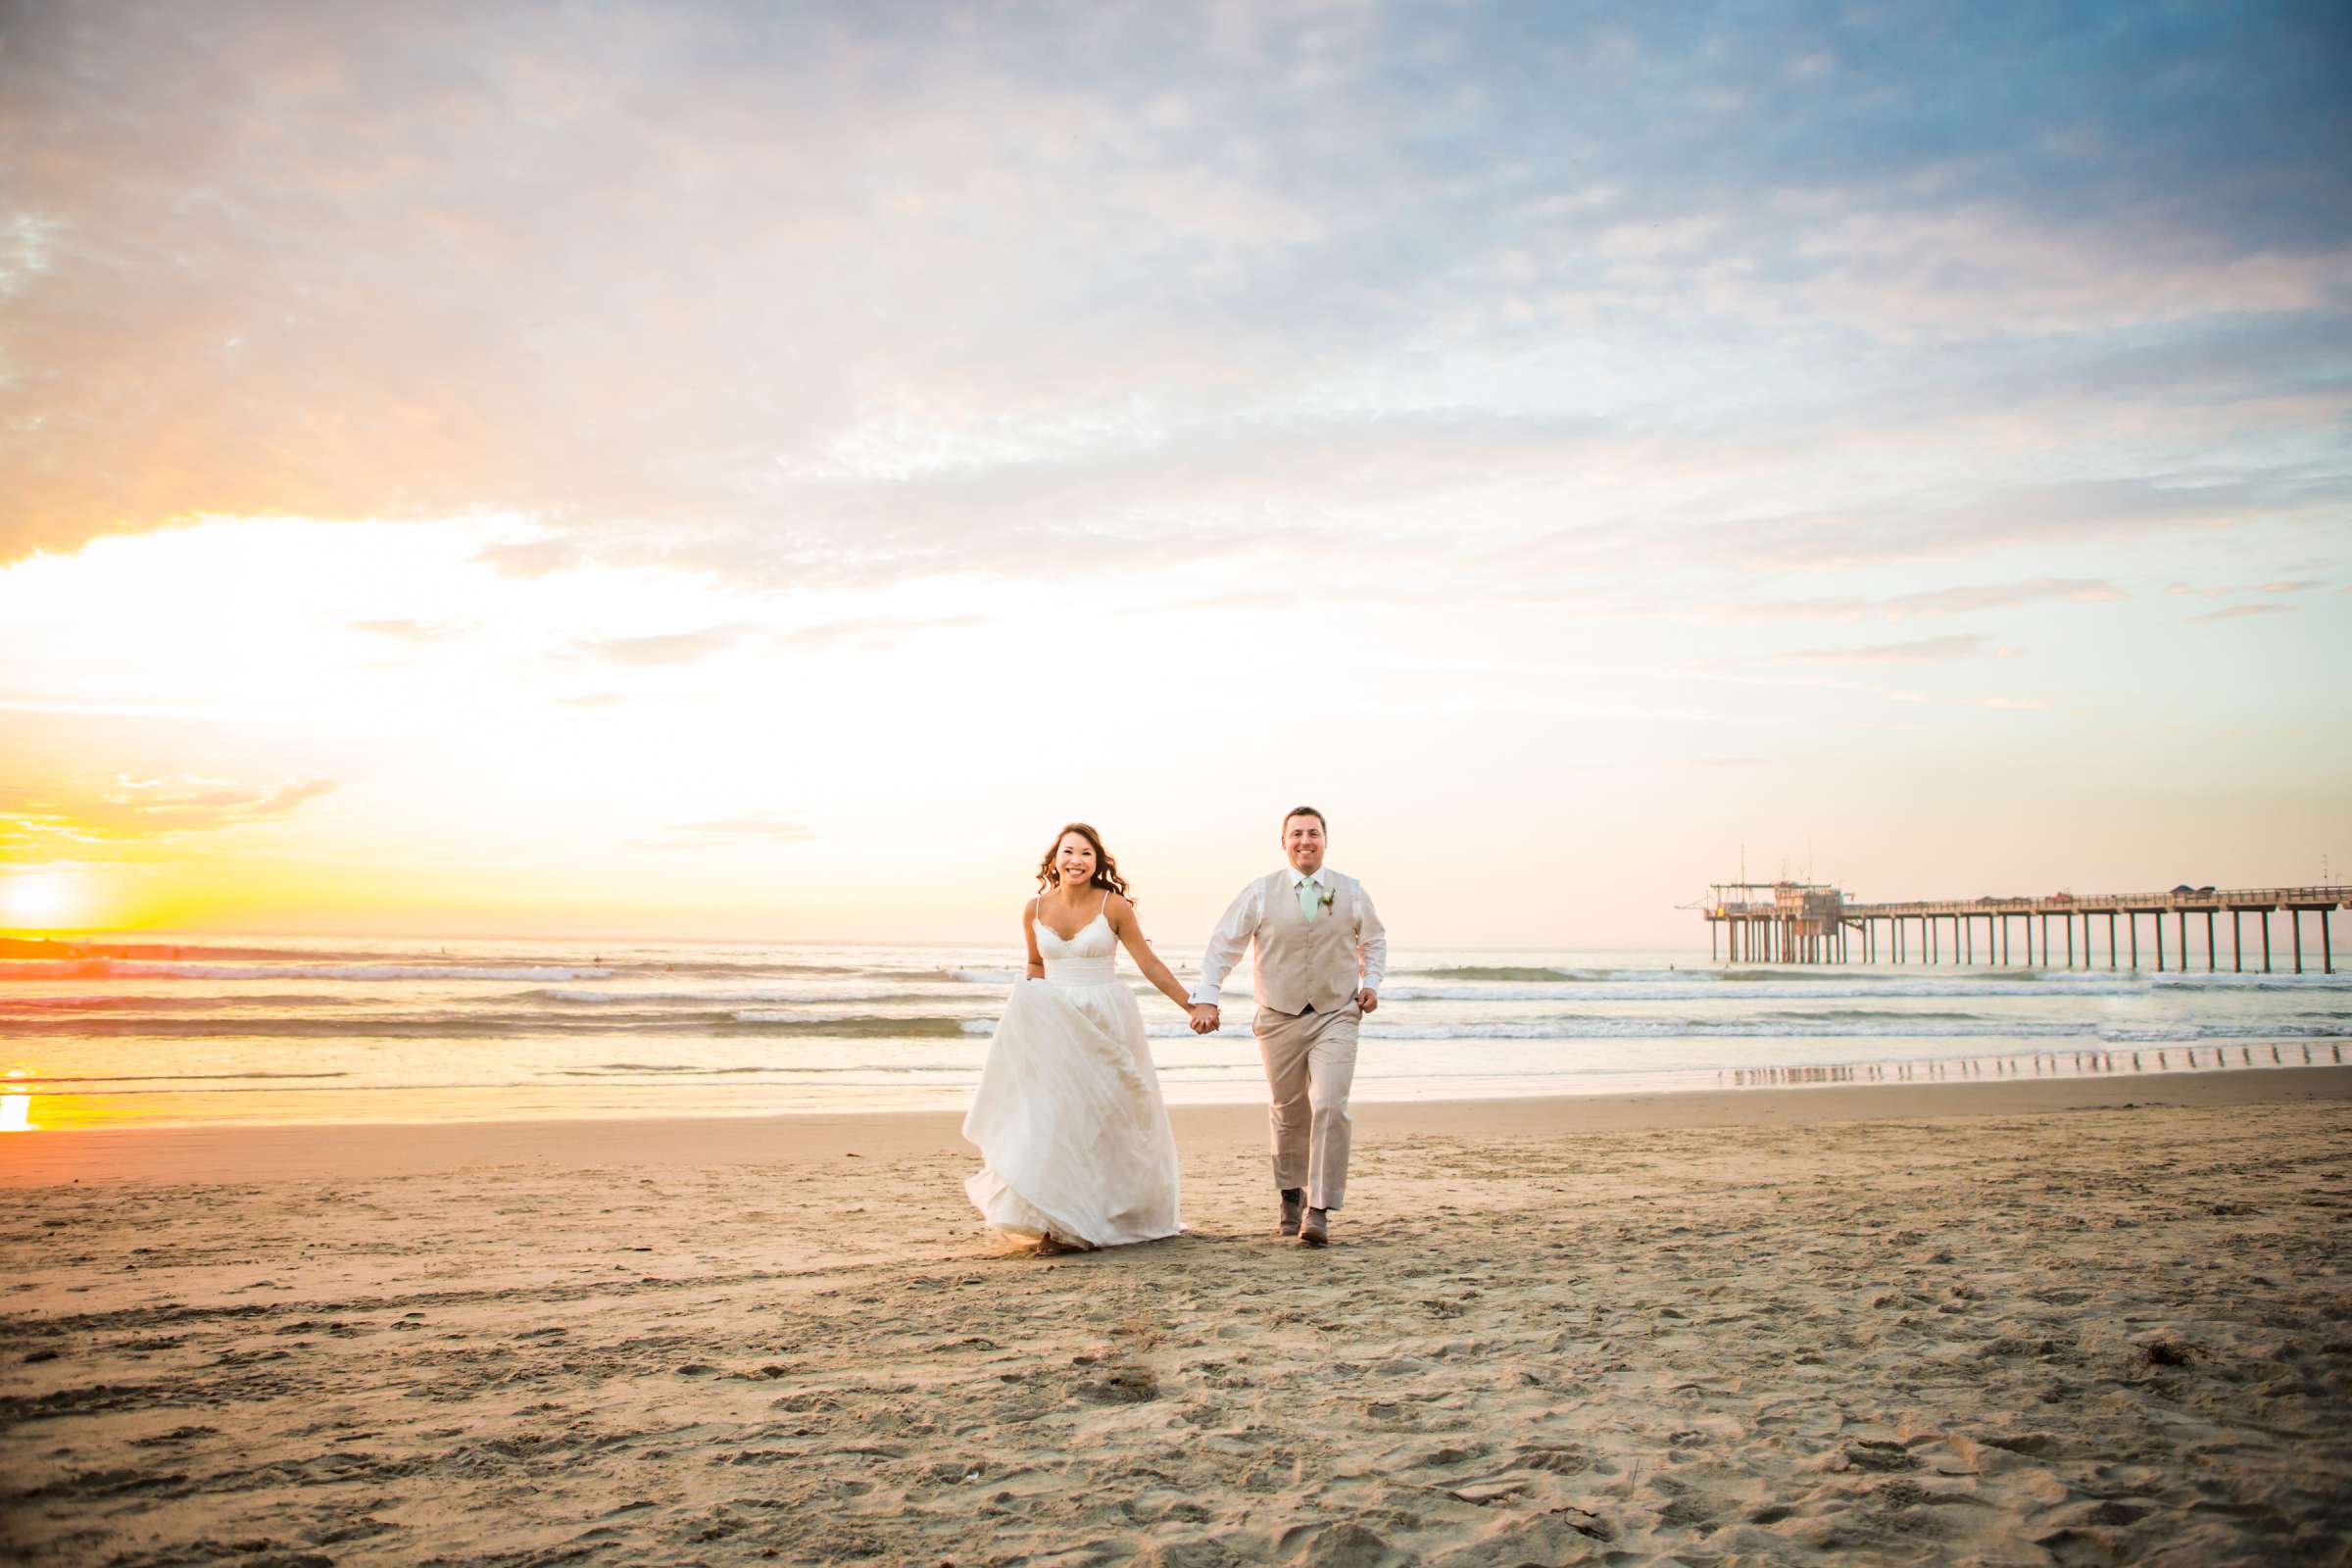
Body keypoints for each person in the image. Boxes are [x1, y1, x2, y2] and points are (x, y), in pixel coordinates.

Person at [963, 823, 1191, 1253]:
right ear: (1054, 859)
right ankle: (1056, 1225)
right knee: (1053, 1117)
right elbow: (1035, 966)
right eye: (1068, 852)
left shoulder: (1115, 906)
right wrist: (1024, 1019)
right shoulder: (1033, 909)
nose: (1076, 861)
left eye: (1086, 854)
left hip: (1105, 1015)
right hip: (1052, 1019)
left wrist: (1192, 1005)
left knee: (1107, 1118)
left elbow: (1150, 964)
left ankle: (1107, 1214)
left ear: (1097, 862)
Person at [1189, 807, 1387, 1248]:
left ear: (1325, 840)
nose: (1305, 841)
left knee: (1330, 1104)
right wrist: (1208, 994)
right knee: (1288, 1111)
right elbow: (1225, 943)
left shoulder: (1351, 892)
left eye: (1313, 834)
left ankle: (1319, 1208)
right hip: (1278, 1016)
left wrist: (1370, 982)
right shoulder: (1260, 892)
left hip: (1336, 1013)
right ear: (1284, 842)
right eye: (1296, 834)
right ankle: (1290, 1195)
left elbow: (1373, 941)